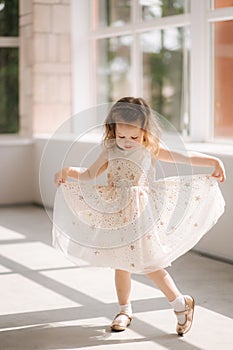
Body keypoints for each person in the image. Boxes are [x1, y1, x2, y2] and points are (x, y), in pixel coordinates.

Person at [53, 97, 225, 336]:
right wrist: (69, 171)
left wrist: (213, 161)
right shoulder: (110, 150)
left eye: (134, 137)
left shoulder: (149, 149)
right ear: (113, 130)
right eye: (122, 136)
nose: (127, 142)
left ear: (145, 132)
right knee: (120, 263)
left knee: (150, 262)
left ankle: (180, 303)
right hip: (115, 212)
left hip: (141, 214)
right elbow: (90, 173)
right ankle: (124, 310)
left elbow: (183, 157)